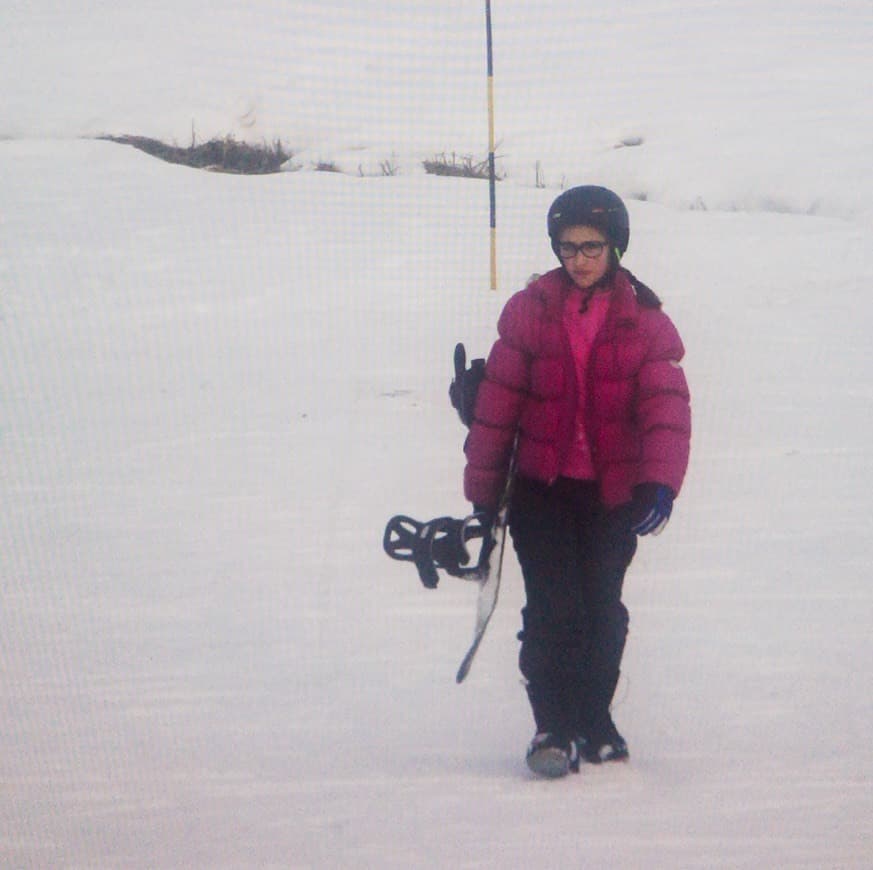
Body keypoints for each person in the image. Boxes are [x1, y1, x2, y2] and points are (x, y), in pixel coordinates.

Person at [463, 186, 691, 778]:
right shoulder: (531, 310)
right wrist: (484, 498)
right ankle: (553, 726)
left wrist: (659, 484)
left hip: (612, 495)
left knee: (603, 611)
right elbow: (499, 408)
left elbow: (666, 409)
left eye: (591, 247)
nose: (579, 260)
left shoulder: (645, 322)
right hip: (543, 489)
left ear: (615, 246)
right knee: (553, 609)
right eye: (568, 248)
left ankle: (595, 719)